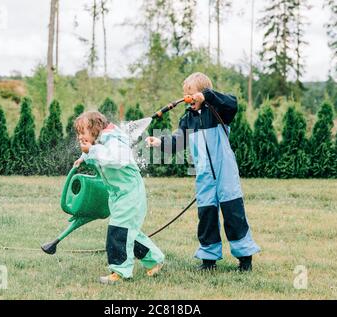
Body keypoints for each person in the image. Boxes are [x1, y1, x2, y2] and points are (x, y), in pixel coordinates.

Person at [146, 72, 260, 272]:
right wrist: (159, 143)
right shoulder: (187, 119)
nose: (187, 99)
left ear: (202, 94)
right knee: (206, 217)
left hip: (225, 173)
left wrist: (208, 96)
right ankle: (208, 260)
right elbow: (177, 142)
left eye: (191, 94)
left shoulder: (218, 112)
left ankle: (245, 259)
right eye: (185, 95)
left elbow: (232, 102)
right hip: (204, 175)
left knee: (234, 215)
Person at [74, 111, 164, 284]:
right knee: (129, 232)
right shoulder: (101, 140)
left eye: (82, 132)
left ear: (95, 128)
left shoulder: (115, 140)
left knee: (119, 231)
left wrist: (91, 150)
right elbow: (97, 152)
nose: (80, 136)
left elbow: (116, 159)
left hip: (130, 193)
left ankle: (120, 272)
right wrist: (84, 157)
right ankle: (155, 259)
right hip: (118, 194)